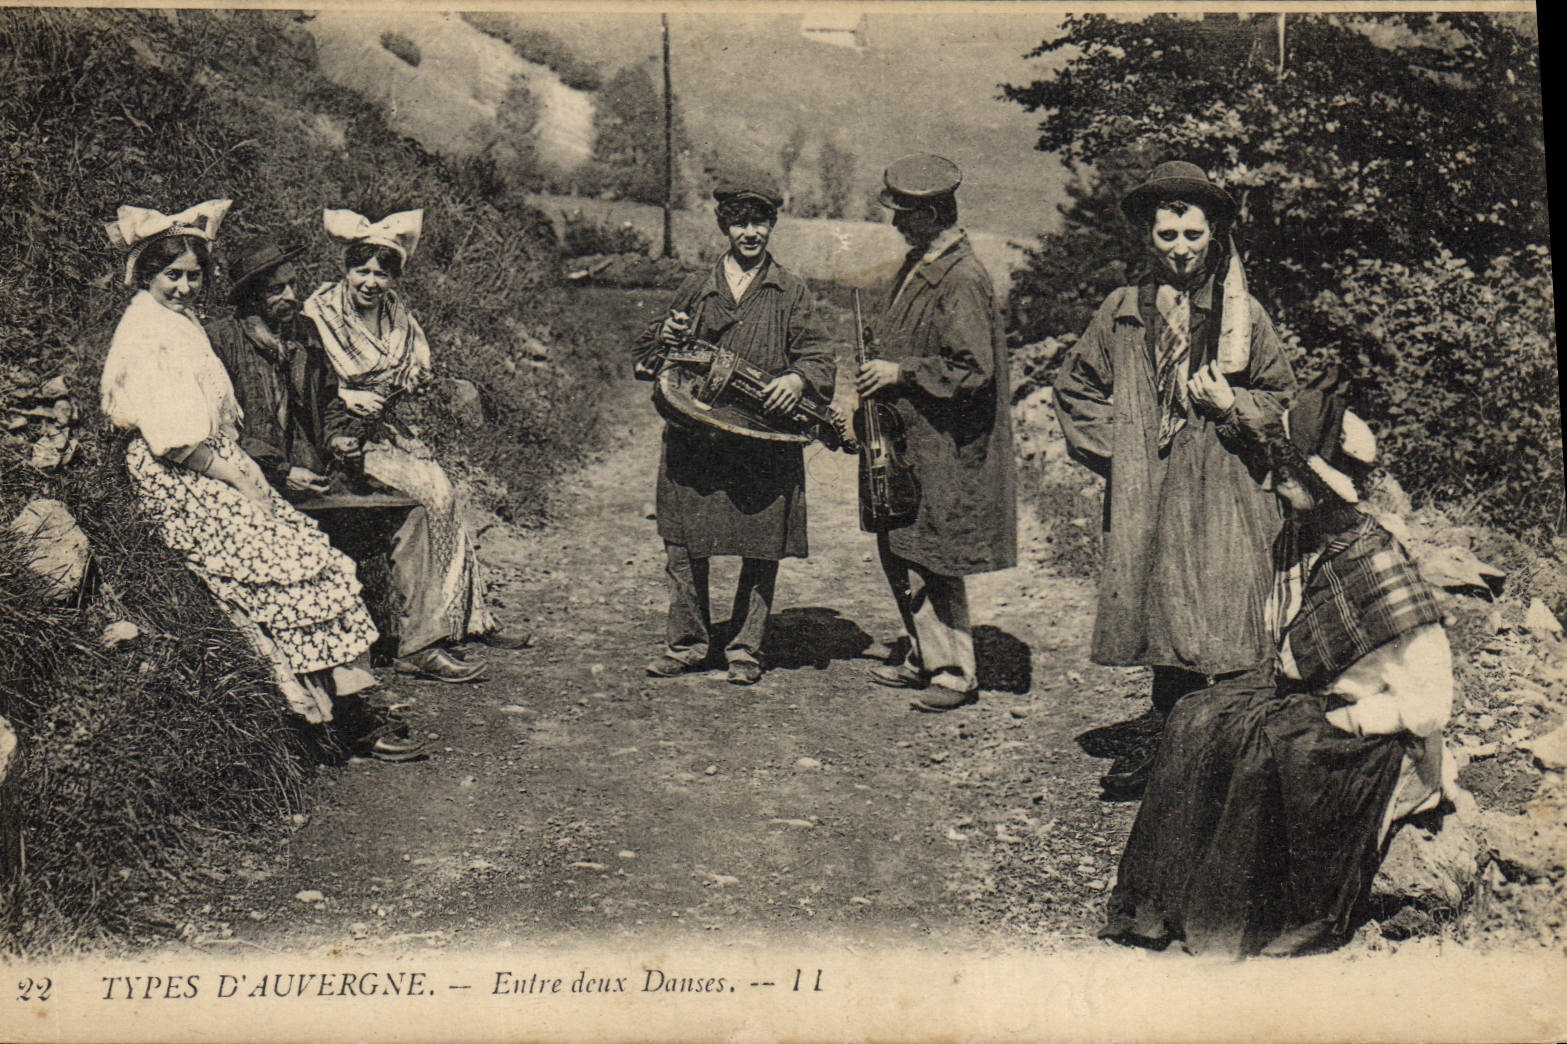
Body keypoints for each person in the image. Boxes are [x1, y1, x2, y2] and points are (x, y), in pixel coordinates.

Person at [1100, 374, 1454, 959]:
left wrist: (1354, 721)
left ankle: (1249, 922)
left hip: (1378, 730)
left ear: (1324, 481)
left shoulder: (1380, 566)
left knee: (1273, 747)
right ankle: (1158, 908)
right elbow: (1289, 647)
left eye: (1286, 478)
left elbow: (1428, 704)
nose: (1273, 486)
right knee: (1195, 715)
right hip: (1308, 693)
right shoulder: (1304, 537)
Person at [99, 200, 422, 761]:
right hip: (183, 473)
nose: (183, 287)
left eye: (193, 276)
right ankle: (347, 714)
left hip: (213, 460)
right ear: (145, 274)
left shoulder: (177, 320)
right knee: (294, 557)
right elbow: (176, 440)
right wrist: (246, 482)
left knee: (309, 552)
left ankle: (349, 704)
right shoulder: (147, 331)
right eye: (170, 276)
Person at [1053, 160, 1298, 794]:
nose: (1181, 250)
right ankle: (1167, 733)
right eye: (1167, 236)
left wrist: (1231, 406)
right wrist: (1126, 449)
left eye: (1193, 235)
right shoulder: (1123, 310)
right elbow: (1075, 389)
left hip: (1227, 487)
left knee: (1226, 608)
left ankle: (1232, 745)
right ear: (1147, 237)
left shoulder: (1243, 315)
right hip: (1153, 490)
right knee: (1163, 608)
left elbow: (1282, 400)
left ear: (1214, 233)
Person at [301, 209, 529, 684]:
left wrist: (413, 387)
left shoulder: (397, 316)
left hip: (391, 430)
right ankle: (432, 635)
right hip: (340, 435)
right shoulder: (318, 314)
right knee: (433, 494)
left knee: (444, 491)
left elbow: (415, 370)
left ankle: (466, 618)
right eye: (360, 270)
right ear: (345, 269)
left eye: (381, 274)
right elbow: (305, 385)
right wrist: (347, 395)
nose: (370, 282)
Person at [632, 171, 836, 686]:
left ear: (772, 225)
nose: (750, 232)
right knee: (682, 541)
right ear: (724, 224)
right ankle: (688, 644)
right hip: (697, 436)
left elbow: (819, 358)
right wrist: (667, 333)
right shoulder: (696, 286)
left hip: (761, 437)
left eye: (760, 221)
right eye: (740, 221)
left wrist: (795, 378)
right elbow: (646, 356)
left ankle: (746, 647)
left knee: (762, 540)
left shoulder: (790, 290)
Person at [854, 154, 1016, 712]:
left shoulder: (962, 276)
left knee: (934, 551)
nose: (896, 222)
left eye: (905, 212)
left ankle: (954, 671)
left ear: (933, 212)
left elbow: (973, 369)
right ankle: (924, 654)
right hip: (911, 439)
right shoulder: (923, 264)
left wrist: (900, 373)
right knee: (902, 542)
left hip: (943, 442)